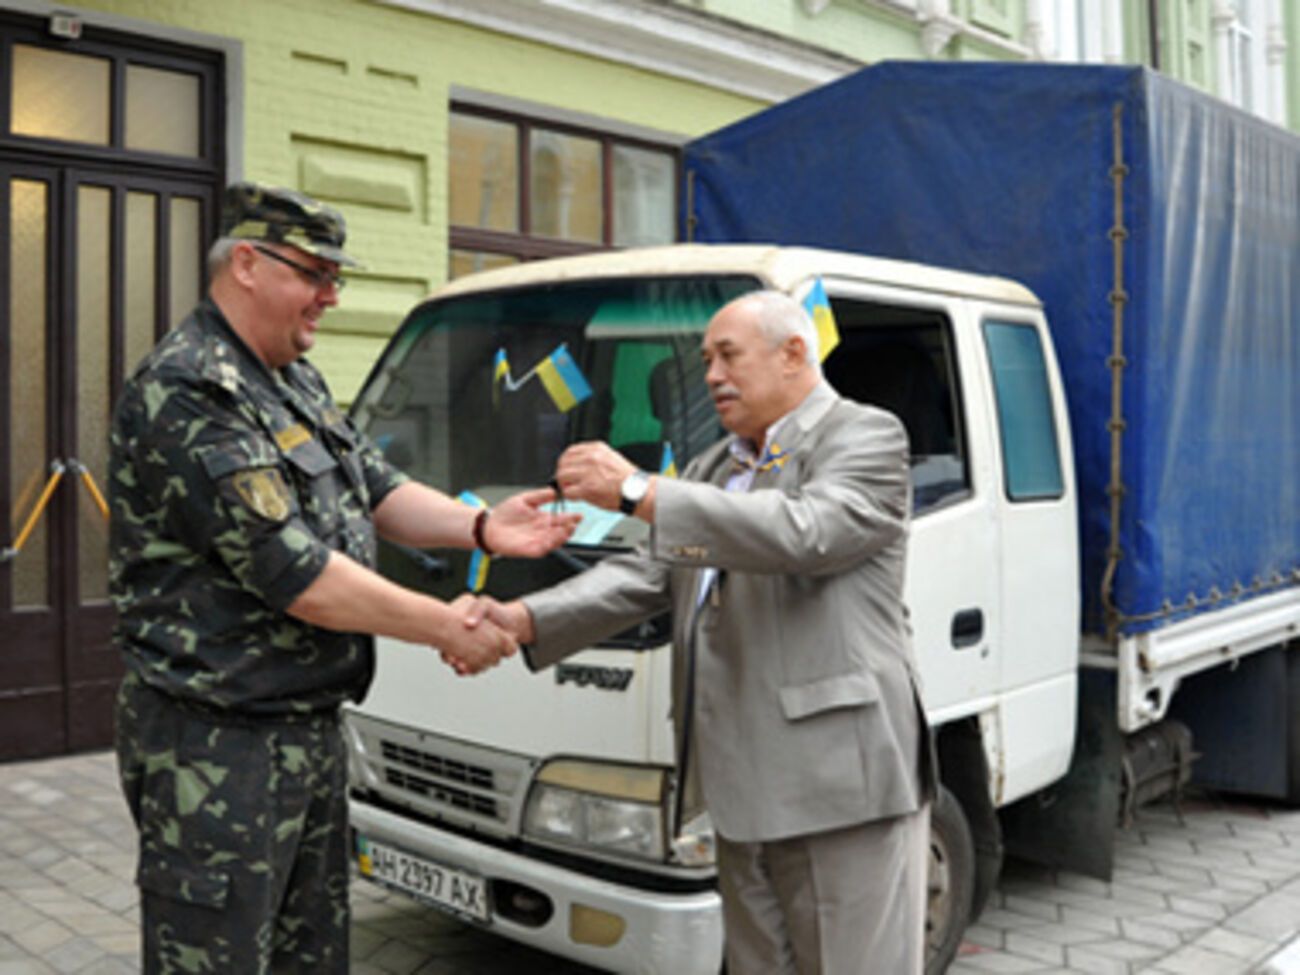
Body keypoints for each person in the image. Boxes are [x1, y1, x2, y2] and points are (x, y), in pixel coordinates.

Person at [108, 181, 577, 973]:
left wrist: (482, 527)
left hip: (308, 727)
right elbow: (294, 575)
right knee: (215, 956)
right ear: (247, 264)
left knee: (312, 953)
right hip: (217, 740)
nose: (330, 295)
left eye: (337, 278)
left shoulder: (291, 377)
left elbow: (377, 484)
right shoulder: (189, 388)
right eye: (315, 272)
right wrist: (445, 624)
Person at [475, 290, 936, 974]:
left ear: (792, 354)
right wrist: (522, 620)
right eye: (706, 359)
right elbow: (651, 572)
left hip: (839, 785)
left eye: (728, 355)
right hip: (741, 786)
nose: (712, 374)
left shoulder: (863, 434)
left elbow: (807, 531)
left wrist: (637, 491)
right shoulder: (716, 466)